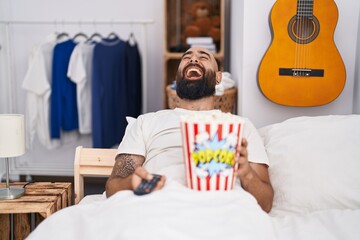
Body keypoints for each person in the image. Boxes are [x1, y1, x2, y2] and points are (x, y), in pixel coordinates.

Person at [106, 47, 274, 212]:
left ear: (218, 78)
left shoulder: (240, 127)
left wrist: (246, 173)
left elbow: (265, 203)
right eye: (186, 58)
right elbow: (113, 187)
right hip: (158, 202)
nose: (193, 59)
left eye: (203, 57)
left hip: (221, 205)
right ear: (177, 77)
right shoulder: (147, 122)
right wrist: (132, 182)